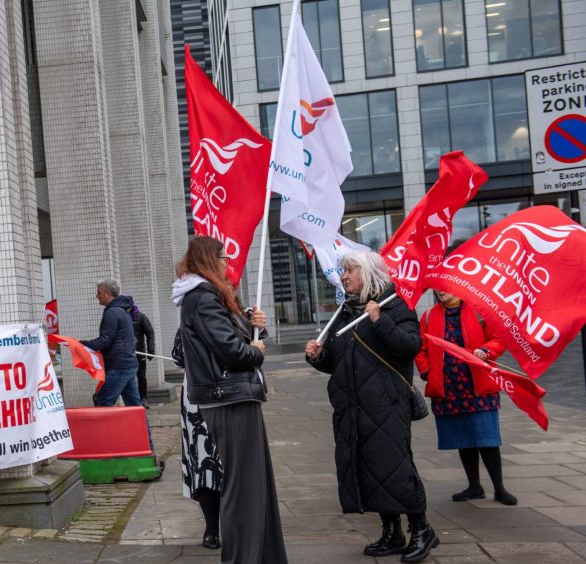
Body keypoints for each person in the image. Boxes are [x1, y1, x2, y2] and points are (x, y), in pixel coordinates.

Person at [305, 250, 436, 564]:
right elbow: (340, 363)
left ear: (367, 273)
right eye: (343, 271)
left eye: (350, 271)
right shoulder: (346, 311)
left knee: (396, 467)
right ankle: (391, 531)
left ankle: (421, 528)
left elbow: (410, 346)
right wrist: (318, 356)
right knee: (370, 469)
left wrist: (379, 321)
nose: (344, 276)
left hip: (386, 405)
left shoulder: (394, 306)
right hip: (353, 407)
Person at [174, 236, 288, 564]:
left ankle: (263, 554)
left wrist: (254, 328)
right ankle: (244, 557)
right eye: (222, 258)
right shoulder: (203, 297)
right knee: (244, 487)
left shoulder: (205, 297)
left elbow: (227, 339)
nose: (227, 263)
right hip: (229, 398)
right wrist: (254, 352)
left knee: (255, 483)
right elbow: (232, 351)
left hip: (229, 397)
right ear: (210, 261)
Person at [172, 283, 268, 553]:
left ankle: (238, 529)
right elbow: (179, 355)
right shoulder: (199, 309)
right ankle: (212, 527)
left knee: (233, 465)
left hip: (232, 397)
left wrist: (257, 326)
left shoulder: (242, 314)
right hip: (199, 399)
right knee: (205, 464)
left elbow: (254, 347)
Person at [415, 290, 516, 505]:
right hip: (449, 390)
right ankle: (474, 486)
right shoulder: (429, 316)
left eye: (445, 286)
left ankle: (500, 488)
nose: (440, 291)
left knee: (487, 438)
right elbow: (420, 349)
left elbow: (499, 338)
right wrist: (426, 372)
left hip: (478, 387)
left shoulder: (480, 310)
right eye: (437, 288)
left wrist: (486, 350)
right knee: (463, 439)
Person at [80, 278, 142, 407]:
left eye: (99, 292)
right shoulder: (123, 311)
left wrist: (82, 344)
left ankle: (103, 428)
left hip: (118, 366)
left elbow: (105, 340)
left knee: (102, 402)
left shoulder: (112, 312)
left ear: (108, 293)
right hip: (128, 364)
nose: (97, 296)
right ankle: (143, 428)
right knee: (135, 406)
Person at [125, 296, 156, 408]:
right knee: (128, 377)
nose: (127, 309)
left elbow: (150, 332)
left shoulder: (141, 317)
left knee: (141, 376)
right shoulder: (122, 317)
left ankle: (144, 398)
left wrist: (151, 349)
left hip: (140, 353)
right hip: (127, 354)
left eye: (128, 307)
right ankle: (133, 401)